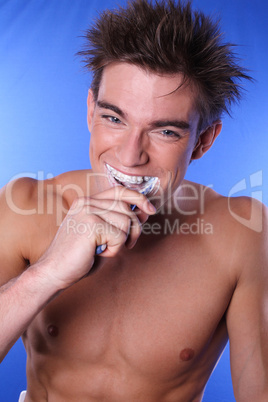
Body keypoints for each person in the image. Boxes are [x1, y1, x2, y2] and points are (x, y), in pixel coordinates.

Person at [0, 0, 267, 401]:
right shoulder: (27, 202)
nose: (129, 156)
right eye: (114, 118)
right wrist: (48, 273)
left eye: (165, 132)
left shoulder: (241, 232)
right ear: (91, 110)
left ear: (204, 141)